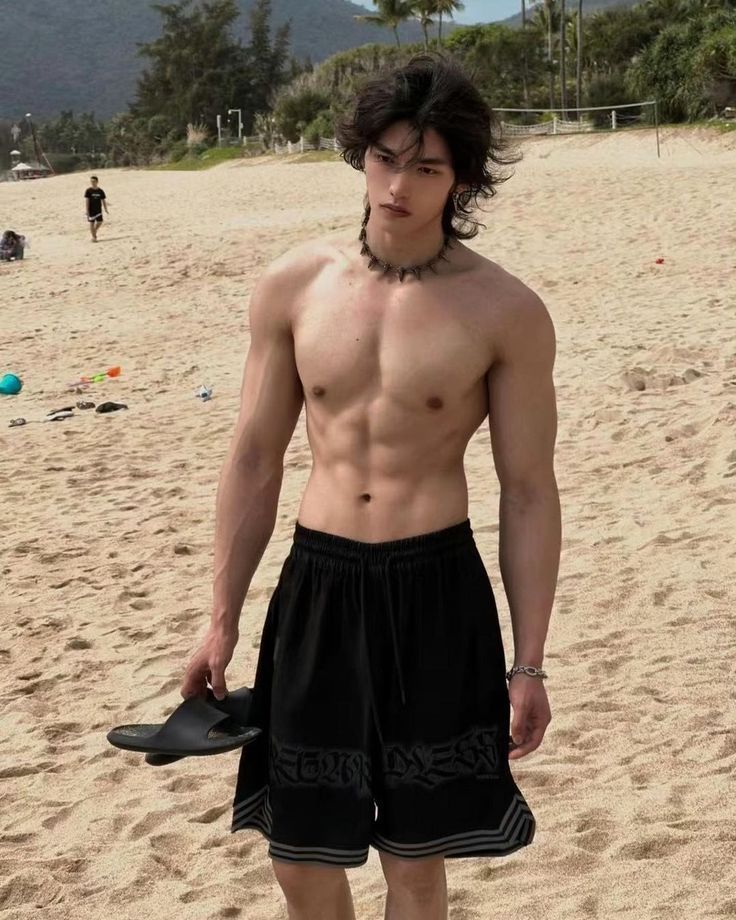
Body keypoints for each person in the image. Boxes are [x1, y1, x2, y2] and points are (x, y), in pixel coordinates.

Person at [181, 53, 560, 920]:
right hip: (318, 587)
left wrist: (528, 659)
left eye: (425, 168)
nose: (398, 186)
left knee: (416, 864)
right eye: (386, 159)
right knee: (300, 853)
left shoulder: (504, 310)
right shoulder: (293, 286)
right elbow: (253, 457)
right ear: (361, 154)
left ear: (459, 178)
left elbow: (530, 489)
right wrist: (220, 617)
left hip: (437, 593)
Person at [84, 175, 108, 241]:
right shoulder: (88, 190)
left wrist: (105, 208)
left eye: (94, 181)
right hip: (91, 210)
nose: (92, 183)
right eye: (91, 181)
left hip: (98, 210)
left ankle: (94, 231)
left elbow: (103, 200)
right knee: (91, 223)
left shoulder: (100, 191)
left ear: (97, 182)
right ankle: (94, 237)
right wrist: (87, 210)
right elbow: (87, 201)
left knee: (100, 222)